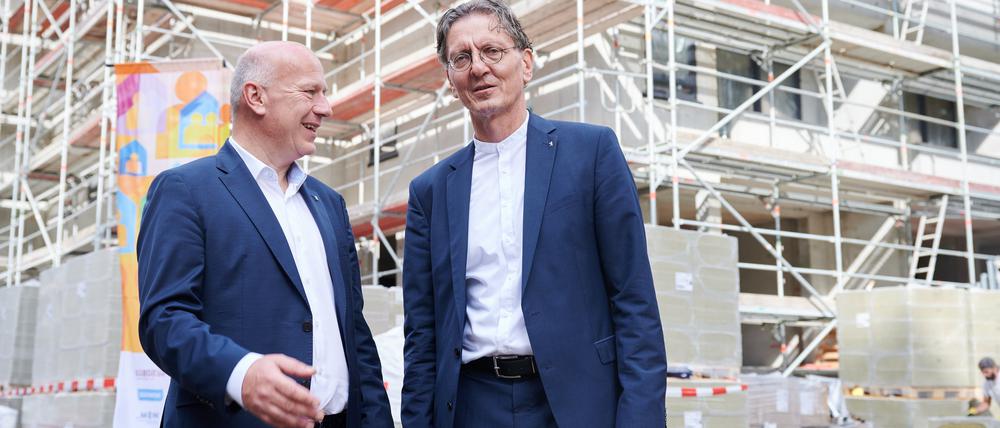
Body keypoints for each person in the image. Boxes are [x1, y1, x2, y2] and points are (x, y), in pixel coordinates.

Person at [400, 1, 667, 427]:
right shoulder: (430, 192)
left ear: (526, 63)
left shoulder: (592, 153)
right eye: (462, 58)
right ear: (450, 80)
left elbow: (634, 301)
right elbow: (422, 334)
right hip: (472, 404)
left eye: (493, 51)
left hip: (577, 402)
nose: (479, 68)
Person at [137, 41, 392, 428]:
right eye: (310, 92)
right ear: (255, 97)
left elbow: (353, 332)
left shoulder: (329, 204)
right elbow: (164, 320)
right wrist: (239, 373)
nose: (326, 108)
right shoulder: (185, 191)